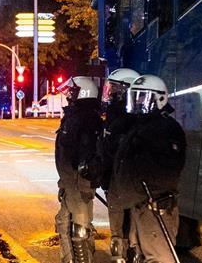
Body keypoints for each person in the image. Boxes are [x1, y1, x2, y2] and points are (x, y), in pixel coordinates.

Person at [107, 74, 186, 263]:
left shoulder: (165, 128)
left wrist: (153, 192)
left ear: (159, 98)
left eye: (143, 97)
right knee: (141, 255)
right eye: (136, 97)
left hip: (155, 204)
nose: (139, 103)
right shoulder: (140, 126)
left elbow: (169, 168)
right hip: (140, 204)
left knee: (159, 257)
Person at [55, 76, 102, 263]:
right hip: (70, 183)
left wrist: (83, 179)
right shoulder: (74, 117)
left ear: (82, 92)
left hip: (79, 184)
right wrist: (64, 184)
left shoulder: (87, 119)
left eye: (72, 92)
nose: (68, 95)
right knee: (64, 224)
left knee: (80, 230)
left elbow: (90, 154)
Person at [97, 68, 140, 263]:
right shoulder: (112, 118)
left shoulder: (133, 119)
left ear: (125, 90)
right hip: (113, 182)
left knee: (133, 233)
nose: (110, 92)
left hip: (129, 183)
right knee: (117, 234)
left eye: (114, 88)